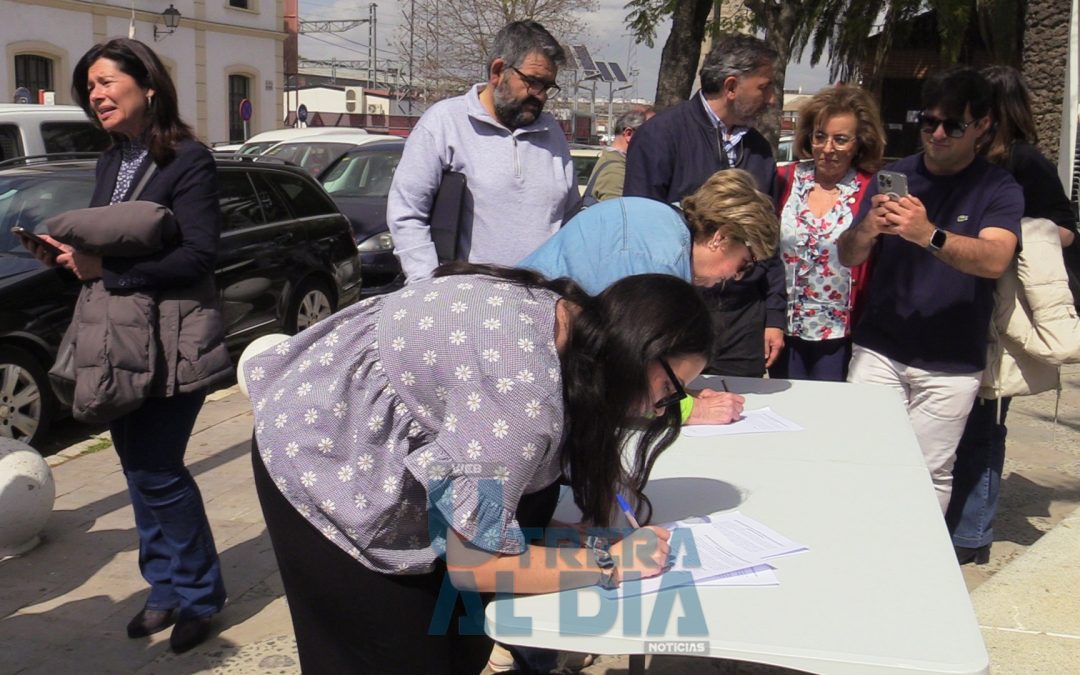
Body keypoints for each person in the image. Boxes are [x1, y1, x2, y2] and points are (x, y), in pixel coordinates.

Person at [244, 265, 713, 672]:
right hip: (320, 457)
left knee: (456, 643)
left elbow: (478, 489)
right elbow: (475, 565)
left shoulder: (569, 321)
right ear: (640, 350)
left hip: (355, 432)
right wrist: (610, 562)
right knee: (388, 655)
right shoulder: (522, 398)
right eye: (673, 389)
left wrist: (568, 537)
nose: (662, 410)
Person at [23, 39, 232, 653]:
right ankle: (164, 589)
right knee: (138, 470)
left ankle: (198, 595)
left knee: (157, 468)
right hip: (120, 339)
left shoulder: (189, 159)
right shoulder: (110, 162)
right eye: (89, 86)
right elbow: (108, 246)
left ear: (148, 86)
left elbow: (199, 254)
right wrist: (70, 259)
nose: (96, 94)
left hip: (173, 338)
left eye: (108, 82)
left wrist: (109, 273)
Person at [837, 66, 1023, 513]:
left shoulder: (998, 187)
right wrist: (868, 229)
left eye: (952, 125)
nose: (937, 134)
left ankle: (911, 568)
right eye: (928, 122)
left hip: (951, 363)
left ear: (981, 127)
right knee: (860, 458)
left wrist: (928, 235)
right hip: (880, 349)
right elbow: (847, 256)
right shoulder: (896, 175)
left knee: (928, 472)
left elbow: (996, 258)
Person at [946, 65, 1080, 564]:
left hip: (999, 319)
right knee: (958, 426)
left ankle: (971, 534)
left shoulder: (1025, 164)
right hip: (959, 308)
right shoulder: (962, 160)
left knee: (984, 425)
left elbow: (1064, 230)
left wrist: (1006, 235)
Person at [520, 169, 779, 424]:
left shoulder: (661, 226)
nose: (737, 276)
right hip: (523, 365)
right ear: (720, 237)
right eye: (745, 263)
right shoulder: (656, 260)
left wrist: (677, 392)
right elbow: (623, 375)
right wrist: (688, 410)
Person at [623, 33, 785, 378]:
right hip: (677, 313)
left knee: (743, 417)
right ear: (731, 86)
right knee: (673, 412)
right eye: (764, 87)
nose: (771, 99)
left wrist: (774, 316)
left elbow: (769, 239)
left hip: (742, 318)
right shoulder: (661, 137)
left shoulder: (759, 150)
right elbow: (638, 236)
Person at [387, 20, 576, 283]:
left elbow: (570, 220)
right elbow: (406, 213)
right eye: (533, 82)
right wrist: (428, 286)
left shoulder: (552, 133)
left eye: (547, 86)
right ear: (498, 71)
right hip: (467, 305)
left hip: (542, 305)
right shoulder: (445, 123)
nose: (541, 96)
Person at [769, 85, 886, 381]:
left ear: (860, 143)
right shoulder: (784, 180)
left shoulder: (871, 189)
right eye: (820, 136)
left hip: (842, 335)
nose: (828, 148)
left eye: (841, 139)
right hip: (786, 329)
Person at [582, 109, 647, 204]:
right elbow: (618, 215)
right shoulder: (616, 171)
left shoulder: (611, 160)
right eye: (648, 136)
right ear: (629, 134)